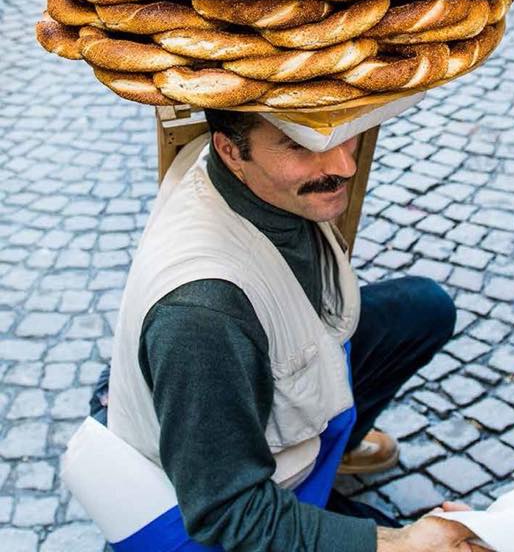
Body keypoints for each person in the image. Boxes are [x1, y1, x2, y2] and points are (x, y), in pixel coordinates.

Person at [89, 111, 483, 552]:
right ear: (231, 150)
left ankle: (331, 453)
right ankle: (305, 483)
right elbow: (227, 513)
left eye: (343, 132)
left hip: (273, 358)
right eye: (301, 146)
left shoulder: (231, 162)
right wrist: (403, 544)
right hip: (212, 512)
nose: (343, 165)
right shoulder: (204, 315)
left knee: (424, 310)